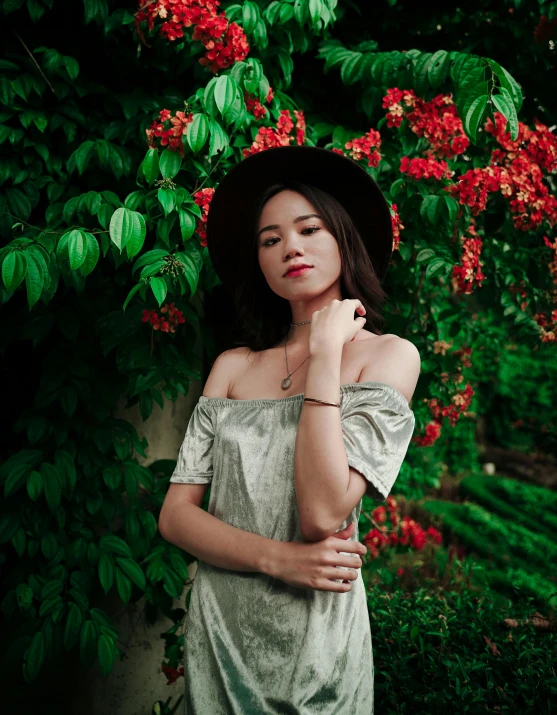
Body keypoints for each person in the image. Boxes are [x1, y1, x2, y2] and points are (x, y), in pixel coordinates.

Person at [159, 145, 420, 714]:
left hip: (316, 646)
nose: (290, 248)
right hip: (221, 633)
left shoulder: (389, 357)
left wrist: (326, 352)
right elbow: (176, 516)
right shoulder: (233, 366)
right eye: (270, 239)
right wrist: (279, 559)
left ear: (343, 238)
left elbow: (323, 513)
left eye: (309, 228)